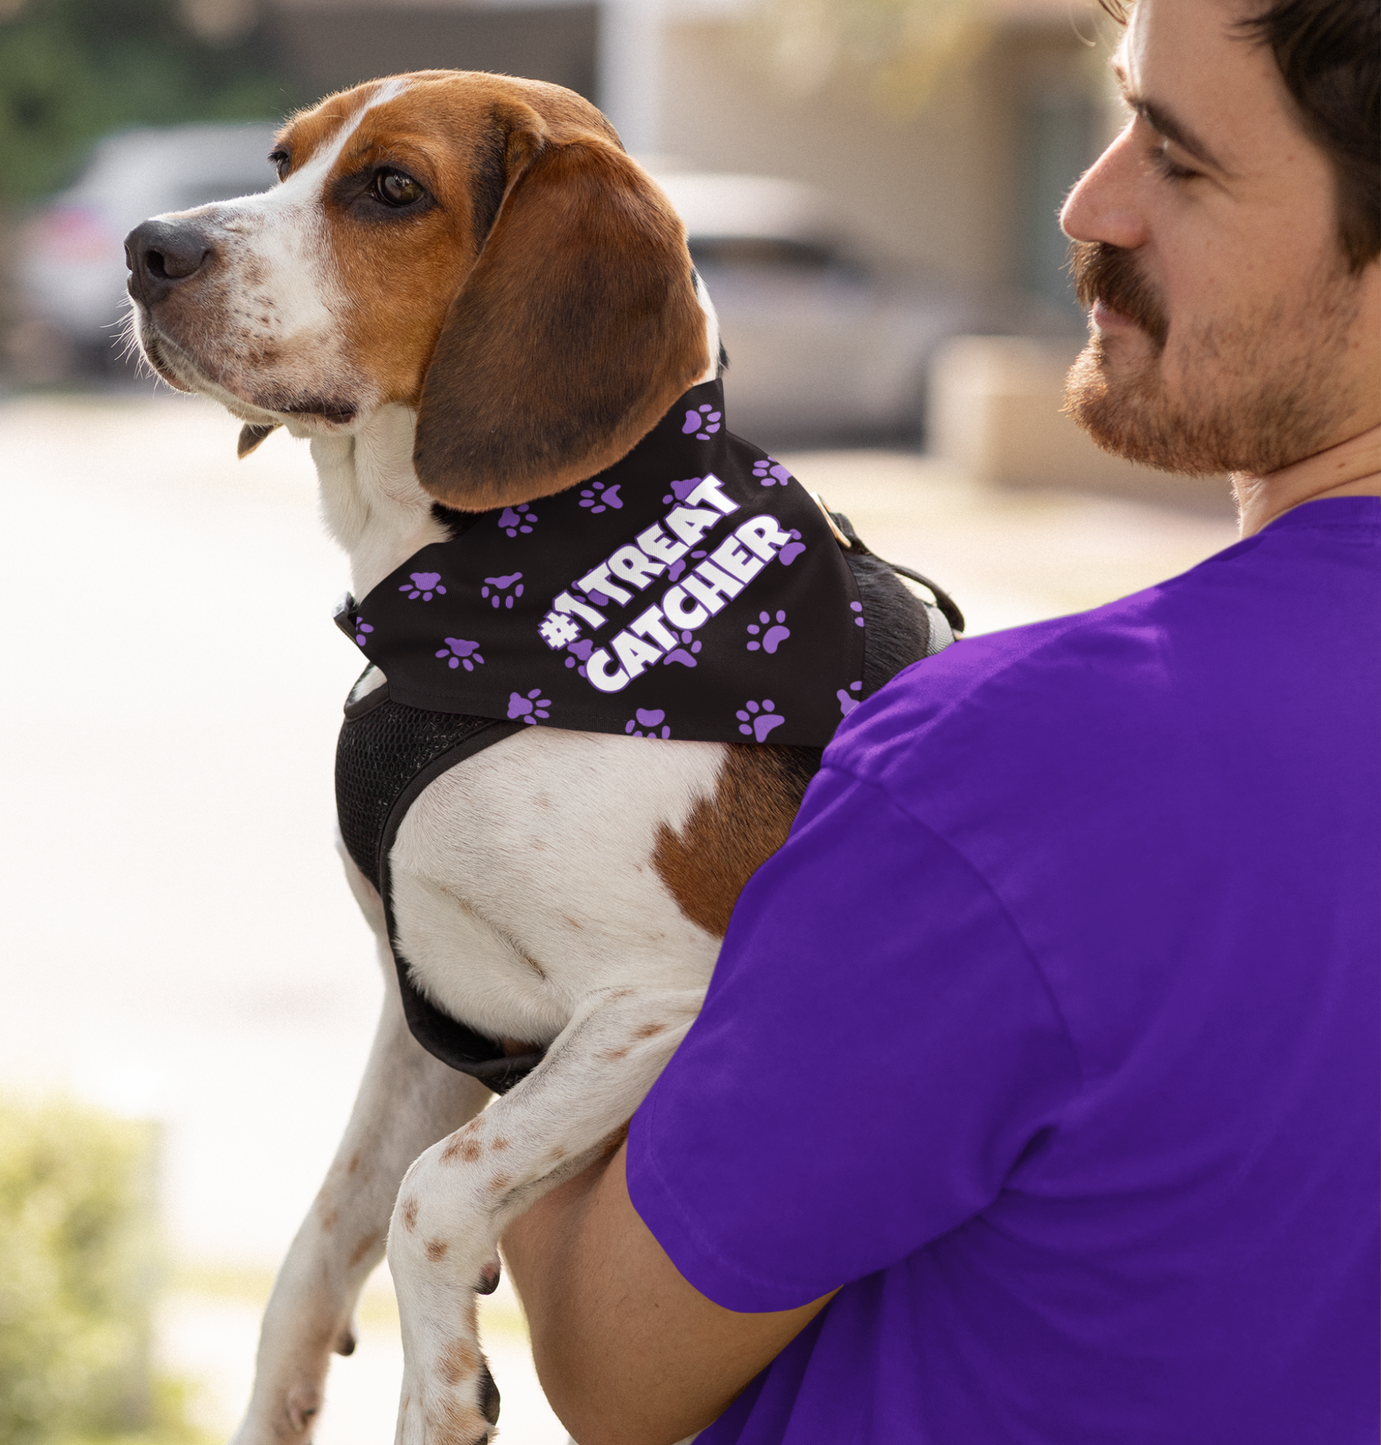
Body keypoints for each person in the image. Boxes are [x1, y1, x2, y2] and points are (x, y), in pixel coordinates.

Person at [501, 0, 1381, 1440]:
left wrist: (491, 861)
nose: (1089, 199)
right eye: (1118, 112)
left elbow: (611, 1361)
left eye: (1178, 154)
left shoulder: (1024, 770)